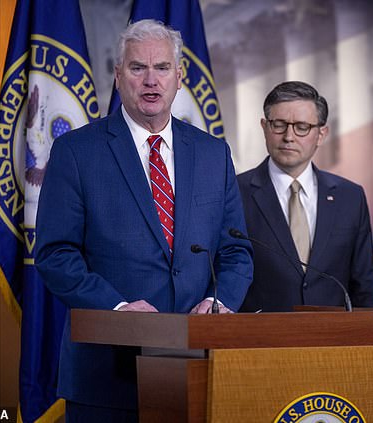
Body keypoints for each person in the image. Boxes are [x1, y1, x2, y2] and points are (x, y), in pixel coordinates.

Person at [35, 19, 252, 421]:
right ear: (118, 77)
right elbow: (55, 254)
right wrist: (116, 308)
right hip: (106, 374)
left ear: (180, 77)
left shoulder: (212, 154)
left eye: (162, 68)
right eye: (138, 68)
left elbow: (236, 249)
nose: (151, 80)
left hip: (199, 366)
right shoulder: (76, 152)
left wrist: (218, 301)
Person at [237, 81, 373, 312]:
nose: (289, 137)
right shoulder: (234, 192)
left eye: (302, 127)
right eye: (279, 125)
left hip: (334, 341)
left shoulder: (350, 197)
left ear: (321, 134)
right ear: (264, 127)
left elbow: (365, 286)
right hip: (258, 341)